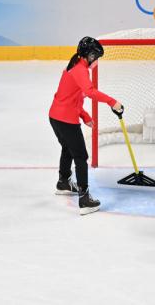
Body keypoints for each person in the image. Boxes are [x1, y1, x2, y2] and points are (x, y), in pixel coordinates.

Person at [49, 37, 123, 215]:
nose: (97, 62)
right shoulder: (80, 70)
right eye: (97, 58)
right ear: (90, 56)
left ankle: (64, 183)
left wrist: (85, 115)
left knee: (67, 148)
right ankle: (84, 199)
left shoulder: (72, 66)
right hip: (65, 120)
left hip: (55, 116)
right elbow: (89, 92)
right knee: (81, 156)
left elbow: (69, 97)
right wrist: (113, 102)